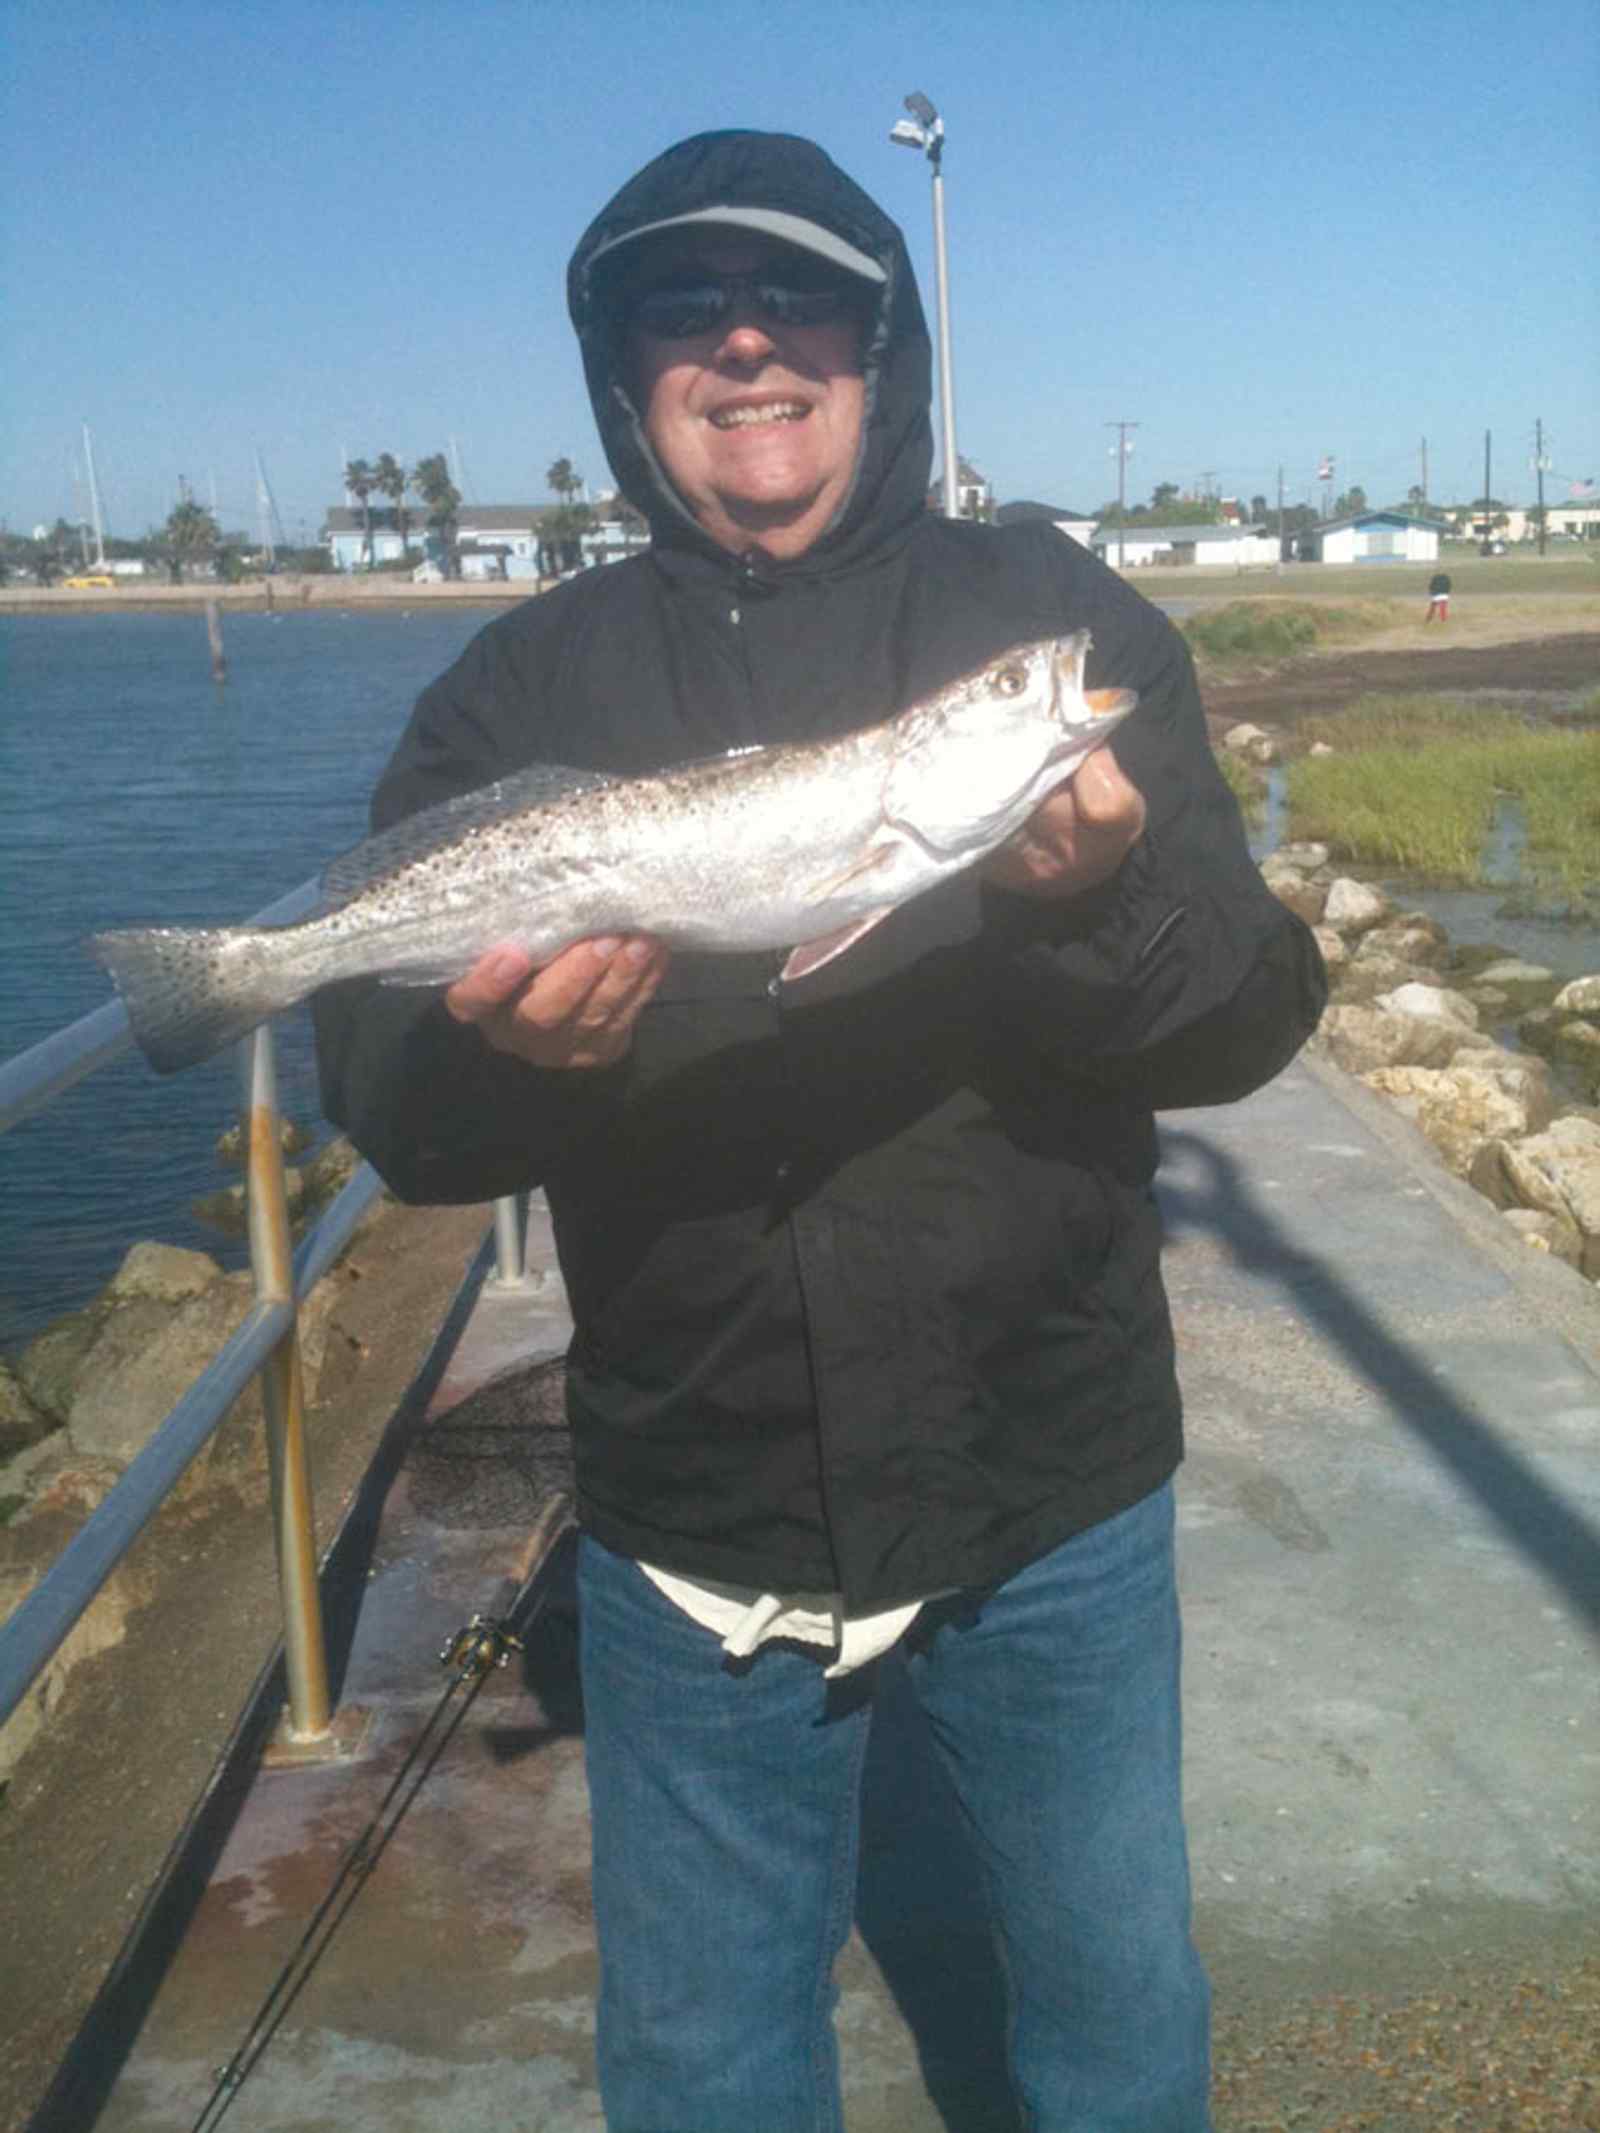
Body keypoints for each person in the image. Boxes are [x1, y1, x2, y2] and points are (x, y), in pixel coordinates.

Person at [315, 129, 1326, 2133]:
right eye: (684, 307)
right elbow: (395, 1106)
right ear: (623, 369)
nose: (749, 342)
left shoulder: (1049, 613)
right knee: (701, 2063)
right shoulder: (521, 686)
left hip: (1048, 1475)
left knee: (1113, 2008)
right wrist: (519, 1061)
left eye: (804, 301)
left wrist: (1089, 903)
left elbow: (1248, 1014)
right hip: (695, 1507)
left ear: (884, 347)